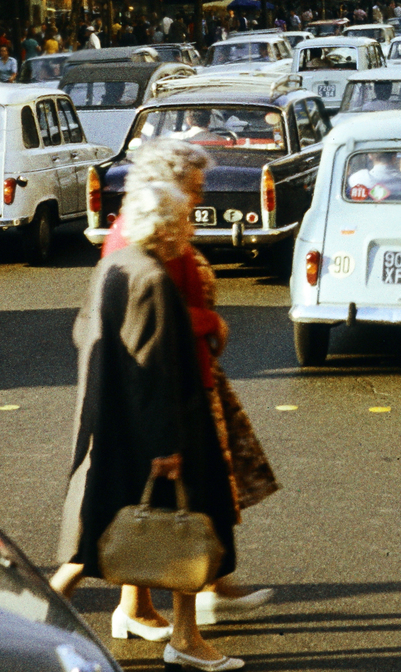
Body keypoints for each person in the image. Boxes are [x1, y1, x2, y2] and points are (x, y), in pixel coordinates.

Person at [52, 181, 246, 670]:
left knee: (106, 534)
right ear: (164, 226)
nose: (191, 227)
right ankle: (184, 641)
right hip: (164, 433)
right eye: (184, 220)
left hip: (118, 429)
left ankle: (170, 630)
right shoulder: (153, 280)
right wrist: (167, 445)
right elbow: (155, 368)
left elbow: (84, 332)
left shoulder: (114, 266)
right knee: (187, 526)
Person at [96, 141, 278, 643]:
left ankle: (165, 600)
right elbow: (152, 316)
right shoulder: (147, 236)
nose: (200, 197)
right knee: (189, 497)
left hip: (189, 377)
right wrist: (212, 321)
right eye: (193, 188)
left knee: (179, 498)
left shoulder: (158, 224)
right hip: (176, 384)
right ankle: (188, 615)